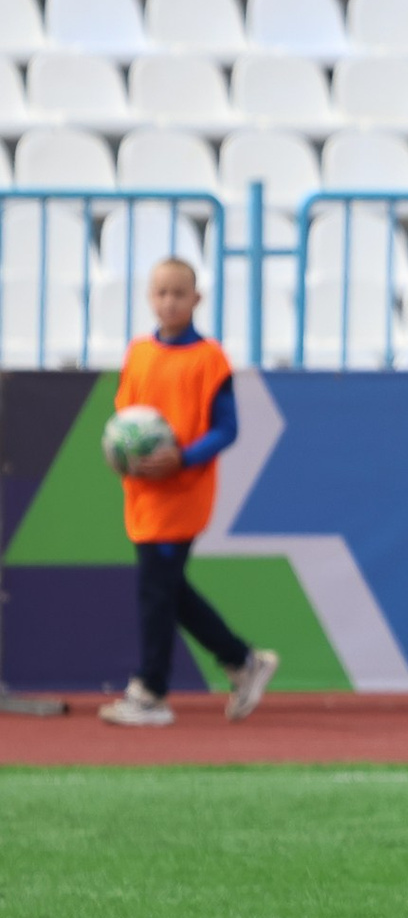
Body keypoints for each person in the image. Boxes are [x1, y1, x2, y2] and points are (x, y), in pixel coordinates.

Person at [99, 259, 279, 729]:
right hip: (142, 491)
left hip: (183, 491)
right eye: (160, 292)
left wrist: (183, 457)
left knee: (155, 591)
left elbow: (227, 429)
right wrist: (122, 453)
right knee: (168, 590)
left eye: (179, 293)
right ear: (148, 297)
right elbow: (124, 419)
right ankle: (243, 660)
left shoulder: (209, 358)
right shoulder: (137, 353)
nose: (169, 301)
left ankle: (152, 690)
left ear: (196, 299)